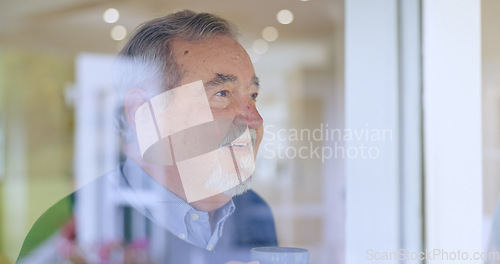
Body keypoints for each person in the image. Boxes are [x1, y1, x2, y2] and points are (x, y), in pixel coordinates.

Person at [17, 10, 277, 264]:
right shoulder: (71, 229)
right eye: (222, 94)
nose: (255, 120)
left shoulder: (255, 214)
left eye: (253, 95)